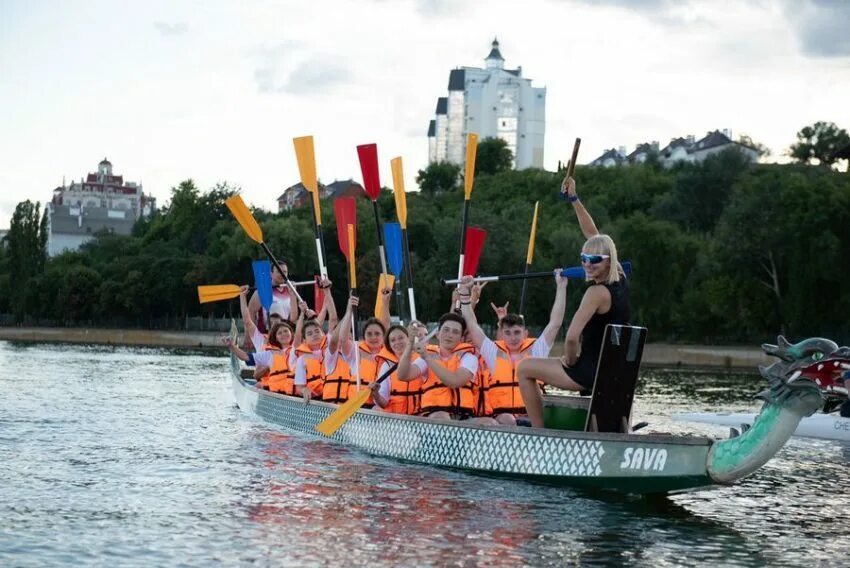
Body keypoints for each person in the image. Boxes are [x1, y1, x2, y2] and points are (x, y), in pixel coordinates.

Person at [516, 176, 630, 428]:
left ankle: (538, 433)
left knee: (524, 368)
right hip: (614, 371)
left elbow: (571, 337)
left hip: (589, 372)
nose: (588, 264)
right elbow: (593, 234)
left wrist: (569, 360)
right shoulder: (619, 275)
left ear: (607, 261)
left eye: (594, 259)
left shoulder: (596, 293)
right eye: (583, 258)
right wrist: (574, 199)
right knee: (543, 363)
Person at [457, 269, 568, 425]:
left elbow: (555, 323)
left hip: (533, 417)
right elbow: (471, 324)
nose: (513, 337)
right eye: (508, 333)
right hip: (504, 419)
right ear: (502, 333)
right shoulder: (493, 352)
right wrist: (464, 294)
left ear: (524, 333)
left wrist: (561, 287)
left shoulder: (536, 349)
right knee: (507, 419)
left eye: (517, 332)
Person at [397, 313, 497, 424]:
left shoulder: (469, 357)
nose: (450, 335)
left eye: (455, 332)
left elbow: (454, 381)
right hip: (434, 416)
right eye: (446, 330)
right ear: (438, 334)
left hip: (463, 418)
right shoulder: (428, 355)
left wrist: (427, 358)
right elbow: (403, 375)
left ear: (461, 338)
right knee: (441, 417)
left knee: (490, 423)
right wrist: (410, 343)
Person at [370, 324, 422, 414]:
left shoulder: (420, 359)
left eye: (401, 338)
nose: (397, 342)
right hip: (396, 419)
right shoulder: (386, 366)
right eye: (393, 340)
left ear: (408, 339)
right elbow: (383, 403)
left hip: (419, 418)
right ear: (389, 345)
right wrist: (376, 394)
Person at [247, 261, 298, 329]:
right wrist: (250, 336)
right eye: (279, 271)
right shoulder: (262, 291)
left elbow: (293, 318)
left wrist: (293, 295)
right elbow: (250, 314)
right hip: (265, 335)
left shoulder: (290, 290)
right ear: (271, 274)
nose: (282, 274)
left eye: (284, 272)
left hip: (284, 334)